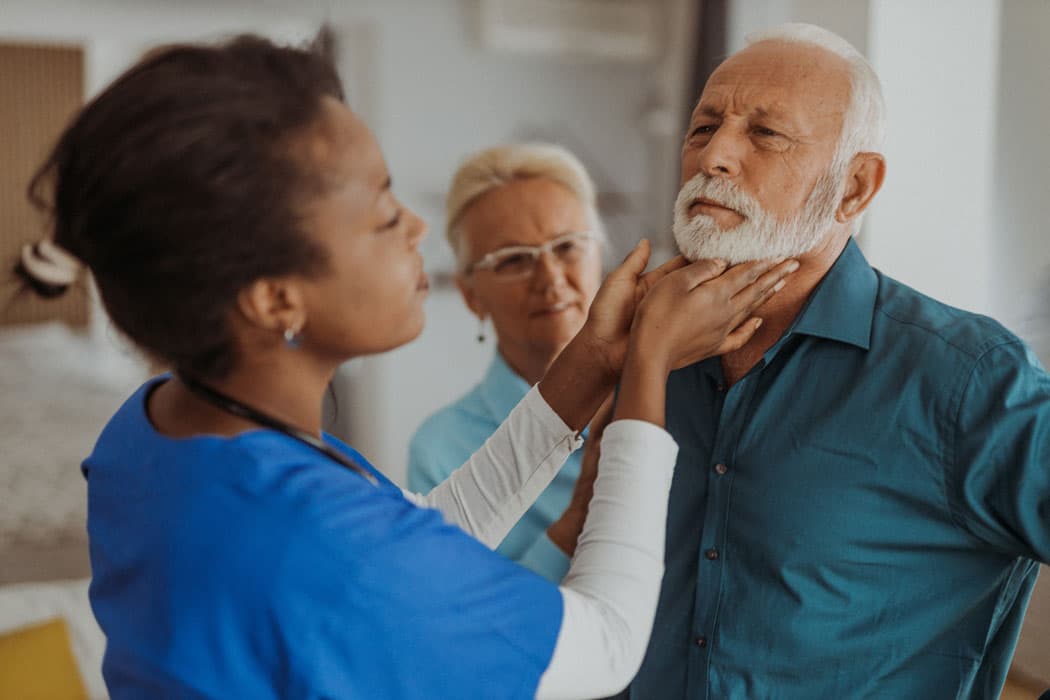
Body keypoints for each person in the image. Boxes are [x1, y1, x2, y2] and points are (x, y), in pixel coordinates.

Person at [16, 32, 798, 699]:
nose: (420, 227)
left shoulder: (157, 426)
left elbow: (414, 538)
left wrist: (594, 361)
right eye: (386, 214)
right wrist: (647, 371)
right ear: (274, 298)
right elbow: (604, 645)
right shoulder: (312, 545)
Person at [625, 22, 1050, 699]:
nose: (716, 157)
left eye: (764, 133)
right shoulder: (649, 356)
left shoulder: (965, 380)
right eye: (704, 128)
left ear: (854, 188)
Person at [409, 143, 608, 583]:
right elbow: (461, 608)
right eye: (515, 259)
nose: (551, 278)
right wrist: (576, 521)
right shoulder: (441, 449)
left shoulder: (674, 392)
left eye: (568, 247)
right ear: (470, 295)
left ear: (600, 255)